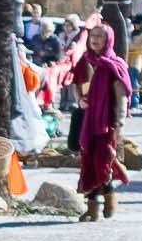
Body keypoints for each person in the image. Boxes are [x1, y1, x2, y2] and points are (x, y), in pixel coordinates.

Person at [56, 20, 130, 221]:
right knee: (88, 163)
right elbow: (77, 85)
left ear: (108, 40)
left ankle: (109, 196)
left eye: (100, 36)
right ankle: (91, 207)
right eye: (93, 36)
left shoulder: (115, 65)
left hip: (107, 123)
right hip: (87, 120)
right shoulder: (84, 61)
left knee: (102, 162)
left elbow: (122, 97)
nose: (95, 40)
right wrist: (80, 100)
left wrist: (119, 126)